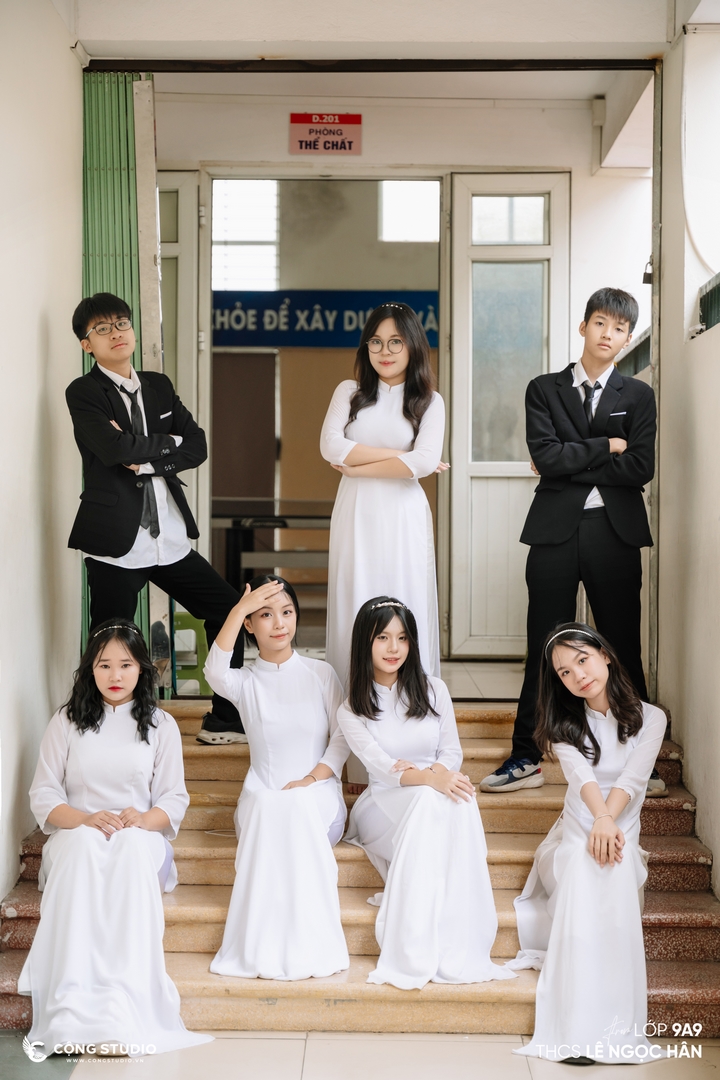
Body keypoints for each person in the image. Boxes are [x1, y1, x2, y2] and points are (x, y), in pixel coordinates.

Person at [480, 287, 664, 797]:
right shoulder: (544, 389)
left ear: (628, 338)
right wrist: (607, 445)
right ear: (584, 327)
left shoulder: (639, 396)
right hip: (553, 532)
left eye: (620, 329)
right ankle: (526, 755)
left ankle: (638, 759)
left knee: (621, 645)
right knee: (544, 644)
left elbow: (639, 468)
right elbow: (546, 455)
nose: (609, 334)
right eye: (601, 323)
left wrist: (568, 459)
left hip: (615, 532)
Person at [18, 620, 211, 1056]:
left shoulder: (161, 725)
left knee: (128, 848)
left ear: (142, 668)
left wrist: (143, 818)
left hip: (140, 836)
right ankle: (72, 999)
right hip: (77, 834)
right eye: (104, 665)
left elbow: (174, 798)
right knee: (84, 847)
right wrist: (85, 819)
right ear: (91, 669)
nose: (116, 675)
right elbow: (43, 795)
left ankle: (126, 996)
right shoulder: (66, 721)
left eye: (126, 664)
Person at [66, 292, 245, 746]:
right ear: (87, 344)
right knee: (111, 641)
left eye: (121, 323)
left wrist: (145, 458)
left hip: (170, 537)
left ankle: (226, 719)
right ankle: (108, 729)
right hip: (117, 542)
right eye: (102, 329)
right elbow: (113, 449)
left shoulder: (158, 386)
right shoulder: (84, 393)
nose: (116, 333)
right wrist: (166, 443)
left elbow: (197, 446)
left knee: (227, 609)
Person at [337, 596, 517, 991]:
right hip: (382, 804)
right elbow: (381, 767)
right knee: (431, 796)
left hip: (432, 789)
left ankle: (458, 929)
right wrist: (427, 779)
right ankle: (418, 939)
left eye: (402, 638)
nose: (394, 648)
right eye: (382, 637)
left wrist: (434, 774)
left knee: (459, 796)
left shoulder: (434, 689)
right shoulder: (352, 708)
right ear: (365, 642)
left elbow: (451, 752)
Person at [507, 623, 667, 1065]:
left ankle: (613, 1025)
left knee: (614, 868)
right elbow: (582, 780)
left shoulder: (652, 718)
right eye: (564, 672)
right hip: (578, 827)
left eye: (583, 660)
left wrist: (609, 823)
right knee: (582, 865)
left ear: (605, 655)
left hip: (622, 831)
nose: (577, 675)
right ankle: (574, 1030)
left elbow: (633, 780)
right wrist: (599, 820)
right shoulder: (562, 724)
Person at [203, 576, 350, 980]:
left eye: (287, 612)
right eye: (265, 615)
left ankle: (304, 942)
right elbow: (214, 669)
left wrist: (311, 780)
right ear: (250, 625)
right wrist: (239, 608)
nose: (280, 623)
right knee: (271, 806)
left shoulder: (321, 674)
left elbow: (342, 739)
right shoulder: (244, 682)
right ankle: (262, 946)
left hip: (319, 798)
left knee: (297, 804)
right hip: (262, 802)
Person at [320, 301, 447, 692]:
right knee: (353, 596)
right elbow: (330, 447)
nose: (385, 351)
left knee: (406, 596)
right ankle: (350, 702)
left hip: (403, 516)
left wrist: (357, 467)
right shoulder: (349, 392)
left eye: (395, 342)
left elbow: (423, 463)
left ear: (413, 345)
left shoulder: (430, 401)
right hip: (355, 513)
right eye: (375, 342)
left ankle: (412, 701)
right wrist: (400, 455)